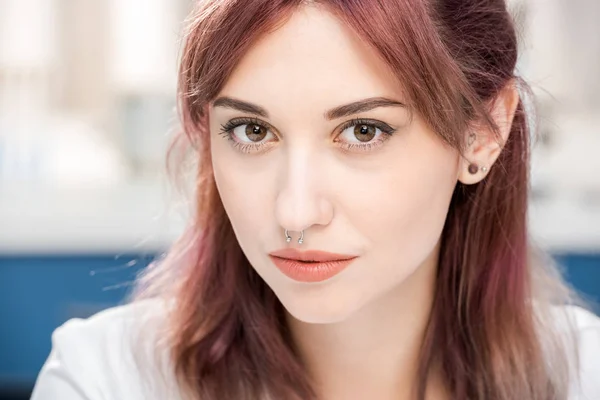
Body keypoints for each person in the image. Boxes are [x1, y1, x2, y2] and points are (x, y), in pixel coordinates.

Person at [31, 0, 600, 399]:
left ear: (482, 132)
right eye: (253, 132)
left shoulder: (583, 378)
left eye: (363, 131)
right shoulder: (107, 380)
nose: (295, 213)